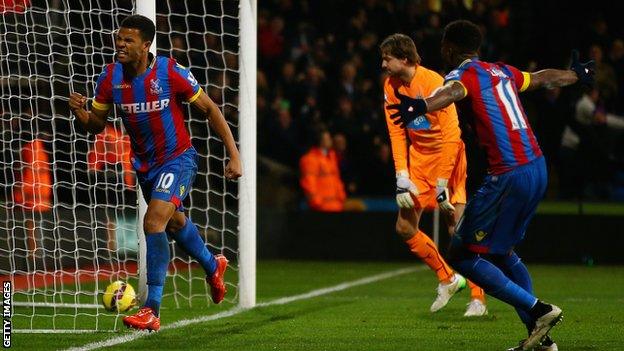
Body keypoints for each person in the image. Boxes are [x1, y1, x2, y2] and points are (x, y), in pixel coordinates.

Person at [386, 20, 594, 350]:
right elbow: (542, 79)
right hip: (537, 167)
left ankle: (538, 310)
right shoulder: (501, 70)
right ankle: (541, 340)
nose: (441, 51)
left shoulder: (461, 75)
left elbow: (452, 93)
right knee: (502, 251)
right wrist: (575, 76)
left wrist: (423, 104)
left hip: (508, 174)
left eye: (443, 45)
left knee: (461, 254)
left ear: (450, 49)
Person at [68, 15, 242, 331]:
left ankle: (152, 309)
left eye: (128, 40)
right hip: (145, 167)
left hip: (178, 159)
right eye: (118, 38)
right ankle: (212, 265)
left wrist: (234, 155)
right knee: (173, 223)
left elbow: (210, 110)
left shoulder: (170, 72)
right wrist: (80, 112)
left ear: (146, 45)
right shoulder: (110, 77)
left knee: (153, 222)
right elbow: (96, 125)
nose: (120, 44)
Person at [380, 33, 487, 317]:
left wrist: (442, 183)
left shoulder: (433, 83)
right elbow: (395, 131)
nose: (383, 64)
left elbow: (453, 135)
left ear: (404, 58)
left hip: (448, 157)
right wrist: (401, 175)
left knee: (457, 229)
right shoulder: (391, 86)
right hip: (418, 160)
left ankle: (478, 297)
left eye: (387, 58)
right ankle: (449, 279)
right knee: (404, 228)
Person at [299, 129, 346, 212]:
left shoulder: (331, 158)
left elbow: (337, 181)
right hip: (322, 209)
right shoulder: (310, 159)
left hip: (337, 207)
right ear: (320, 141)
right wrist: (317, 204)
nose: (331, 141)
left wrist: (341, 198)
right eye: (328, 138)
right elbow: (309, 184)